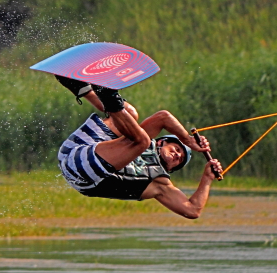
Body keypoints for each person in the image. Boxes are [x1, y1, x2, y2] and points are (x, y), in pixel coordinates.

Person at [55, 75, 222, 219]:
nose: (177, 155)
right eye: (176, 149)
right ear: (161, 142)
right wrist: (188, 140)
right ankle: (85, 89)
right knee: (130, 114)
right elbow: (163, 117)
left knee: (140, 140)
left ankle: (107, 94)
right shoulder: (142, 139)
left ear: (172, 169)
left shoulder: (159, 184)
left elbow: (193, 210)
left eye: (180, 160)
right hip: (74, 148)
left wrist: (207, 178)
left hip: (82, 173)